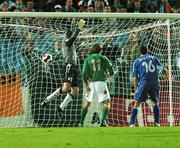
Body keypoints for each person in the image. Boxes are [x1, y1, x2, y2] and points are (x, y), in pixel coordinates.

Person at [41, 19, 86, 118]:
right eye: (70, 33)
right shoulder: (66, 41)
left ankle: (60, 108)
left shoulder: (71, 43)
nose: (72, 34)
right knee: (65, 89)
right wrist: (78, 28)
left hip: (74, 67)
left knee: (75, 91)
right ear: (67, 35)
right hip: (69, 65)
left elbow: (73, 38)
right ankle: (46, 100)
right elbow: (73, 37)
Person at [129, 45, 168, 127]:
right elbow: (164, 69)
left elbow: (135, 77)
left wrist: (136, 89)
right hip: (154, 82)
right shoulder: (154, 58)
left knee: (137, 103)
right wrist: (166, 76)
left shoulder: (137, 61)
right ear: (147, 51)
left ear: (139, 52)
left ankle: (132, 124)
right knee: (155, 102)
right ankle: (157, 123)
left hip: (144, 82)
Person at [79, 44, 114, 127]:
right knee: (106, 103)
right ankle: (102, 122)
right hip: (101, 82)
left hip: (91, 83)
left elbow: (84, 73)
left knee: (87, 103)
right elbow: (111, 70)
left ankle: (81, 122)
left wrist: (86, 84)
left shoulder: (87, 59)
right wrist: (110, 74)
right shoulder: (104, 58)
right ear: (100, 50)